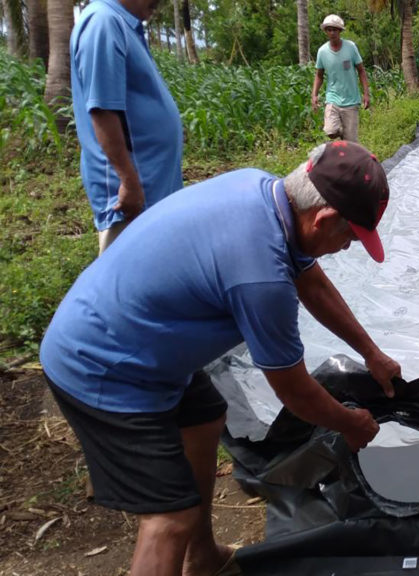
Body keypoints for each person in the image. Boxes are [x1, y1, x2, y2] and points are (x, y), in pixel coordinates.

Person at [39, 141, 400, 576]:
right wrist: (350, 423)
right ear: (323, 217)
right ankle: (184, 543)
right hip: (105, 366)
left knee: (205, 417)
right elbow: (294, 391)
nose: (348, 249)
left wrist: (371, 353)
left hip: (142, 339)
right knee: (169, 519)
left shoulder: (262, 190)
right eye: (350, 237)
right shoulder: (261, 278)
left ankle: (203, 558)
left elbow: (314, 283)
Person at [70, 0, 184, 252]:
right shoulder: (103, 23)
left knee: (155, 272)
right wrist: (129, 181)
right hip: (131, 194)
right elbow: (102, 110)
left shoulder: (121, 24)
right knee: (131, 278)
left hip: (148, 187)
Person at [312, 14, 371, 142]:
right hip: (332, 98)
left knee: (351, 143)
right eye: (329, 29)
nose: (332, 32)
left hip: (351, 100)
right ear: (326, 31)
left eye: (335, 29)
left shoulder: (351, 47)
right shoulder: (322, 52)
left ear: (340, 31)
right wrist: (314, 95)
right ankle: (342, 132)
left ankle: (348, 145)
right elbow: (319, 75)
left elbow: (361, 71)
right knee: (330, 131)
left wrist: (366, 94)